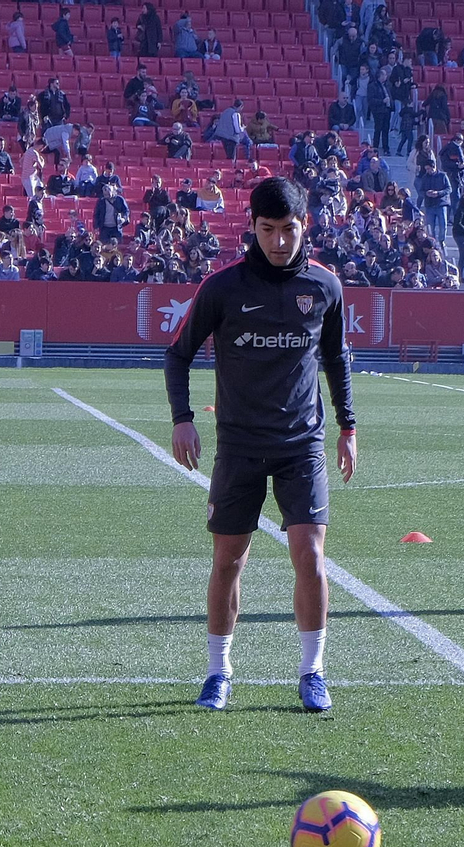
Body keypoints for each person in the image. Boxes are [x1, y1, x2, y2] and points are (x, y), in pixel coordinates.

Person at [163, 178, 357, 714]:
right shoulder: (223, 287)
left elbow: (337, 358)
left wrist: (348, 427)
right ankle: (218, 673)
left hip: (302, 445)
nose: (278, 241)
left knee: (310, 556)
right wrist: (182, 419)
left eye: (288, 229)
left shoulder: (325, 286)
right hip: (239, 446)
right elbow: (177, 354)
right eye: (267, 230)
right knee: (229, 560)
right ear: (252, 227)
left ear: (304, 226)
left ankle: (313, 671)